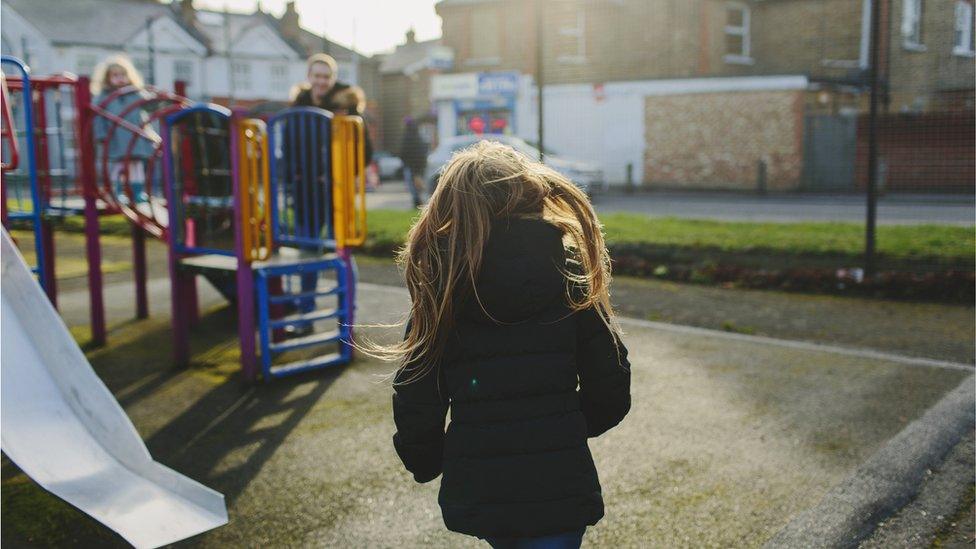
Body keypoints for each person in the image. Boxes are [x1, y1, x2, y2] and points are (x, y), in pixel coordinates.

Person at [377, 140, 631, 548]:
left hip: (484, 487)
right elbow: (612, 384)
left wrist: (425, 459)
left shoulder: (444, 287)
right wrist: (563, 426)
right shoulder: (569, 275)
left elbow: (416, 393)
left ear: (452, 208)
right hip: (559, 482)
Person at [91, 55, 156, 202]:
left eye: (123, 75)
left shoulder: (135, 93)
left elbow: (150, 105)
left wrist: (155, 98)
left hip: (135, 137)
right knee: (117, 166)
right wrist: (101, 136)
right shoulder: (103, 96)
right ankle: (116, 192)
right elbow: (98, 117)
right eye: (115, 75)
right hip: (115, 138)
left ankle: (138, 192)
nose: (120, 78)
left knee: (136, 165)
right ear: (107, 78)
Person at [398, 117, 427, 208]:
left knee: (412, 185)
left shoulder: (406, 137)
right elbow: (423, 151)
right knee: (419, 184)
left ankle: (417, 202)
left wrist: (404, 160)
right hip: (420, 165)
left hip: (410, 165)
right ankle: (420, 201)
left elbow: (403, 152)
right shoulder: (418, 136)